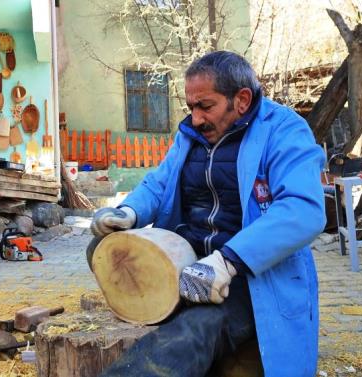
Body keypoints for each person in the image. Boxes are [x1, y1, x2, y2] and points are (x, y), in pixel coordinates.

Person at [89, 51, 325, 377]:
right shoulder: (191, 135)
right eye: (191, 107)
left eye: (206, 106)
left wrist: (228, 261)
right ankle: (163, 303)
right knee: (101, 245)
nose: (196, 118)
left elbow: (304, 209)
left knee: (193, 332)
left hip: (247, 273)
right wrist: (129, 212)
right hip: (189, 262)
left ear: (241, 100)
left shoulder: (283, 130)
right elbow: (159, 183)